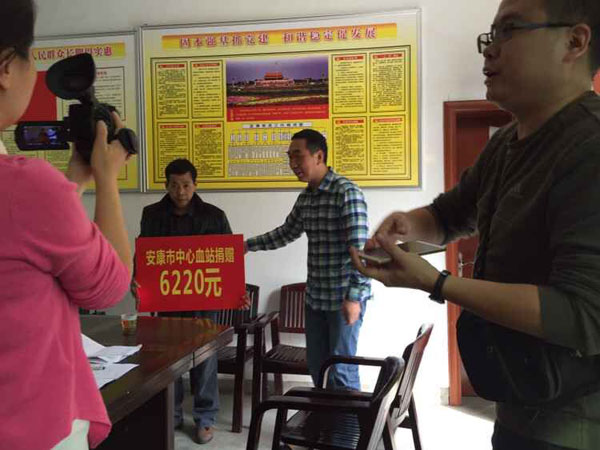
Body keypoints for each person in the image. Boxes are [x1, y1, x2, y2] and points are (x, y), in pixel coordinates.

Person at [351, 0, 600, 449]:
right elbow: (448, 216)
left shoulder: (589, 147)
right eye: (491, 34)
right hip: (518, 406)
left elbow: (582, 313)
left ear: (575, 41)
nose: (489, 49)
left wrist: (438, 283)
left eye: (510, 30)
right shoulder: (505, 143)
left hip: (574, 426)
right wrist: (408, 225)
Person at [0, 1, 133, 449]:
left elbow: (20, 245)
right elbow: (111, 286)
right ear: (6, 68)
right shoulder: (27, 186)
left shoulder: (31, 193)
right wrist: (107, 180)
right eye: (30, 56)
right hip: (31, 430)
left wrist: (73, 181)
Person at [245, 129, 371, 390]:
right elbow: (286, 233)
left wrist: (353, 298)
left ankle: (349, 417)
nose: (293, 164)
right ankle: (323, 414)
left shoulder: (346, 192)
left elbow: (360, 251)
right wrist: (247, 245)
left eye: (297, 156)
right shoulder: (306, 198)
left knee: (341, 370)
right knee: (317, 366)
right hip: (315, 298)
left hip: (343, 298)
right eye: (289, 157)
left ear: (319, 156)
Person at [134, 158, 231, 445]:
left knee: (205, 358)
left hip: (205, 299)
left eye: (186, 185)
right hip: (168, 298)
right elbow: (144, 253)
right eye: (174, 185)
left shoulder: (214, 215)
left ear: (195, 185)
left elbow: (228, 257)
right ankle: (172, 414)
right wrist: (136, 280)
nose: (180, 192)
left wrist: (234, 291)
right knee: (168, 359)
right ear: (166, 185)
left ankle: (205, 418)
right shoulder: (152, 214)